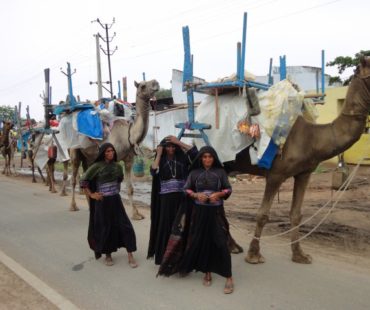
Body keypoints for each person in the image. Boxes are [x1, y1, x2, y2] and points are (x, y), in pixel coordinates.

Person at [158, 146, 234, 294]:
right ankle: (207, 272)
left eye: (210, 157)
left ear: (214, 158)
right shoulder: (194, 173)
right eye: (204, 157)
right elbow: (185, 189)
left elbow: (228, 189)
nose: (207, 160)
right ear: (200, 158)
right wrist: (195, 195)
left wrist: (219, 194)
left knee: (221, 243)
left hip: (216, 213)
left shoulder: (220, 172)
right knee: (203, 241)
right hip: (199, 213)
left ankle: (229, 277)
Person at [80, 143, 138, 268]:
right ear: (102, 153)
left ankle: (130, 254)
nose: (110, 153)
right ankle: (108, 254)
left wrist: (113, 190)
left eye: (112, 151)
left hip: (116, 200)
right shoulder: (96, 167)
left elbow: (119, 179)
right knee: (105, 227)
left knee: (125, 225)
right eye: (107, 151)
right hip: (102, 202)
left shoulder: (118, 166)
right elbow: (84, 181)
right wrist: (92, 195)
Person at [147, 135, 198, 265]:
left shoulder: (182, 158)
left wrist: (179, 142)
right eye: (168, 146)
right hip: (165, 200)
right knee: (166, 227)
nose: (170, 149)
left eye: (173, 146)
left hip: (181, 199)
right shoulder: (161, 160)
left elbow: (196, 155)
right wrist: (158, 154)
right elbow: (153, 171)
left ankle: (180, 258)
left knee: (181, 226)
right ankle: (164, 257)